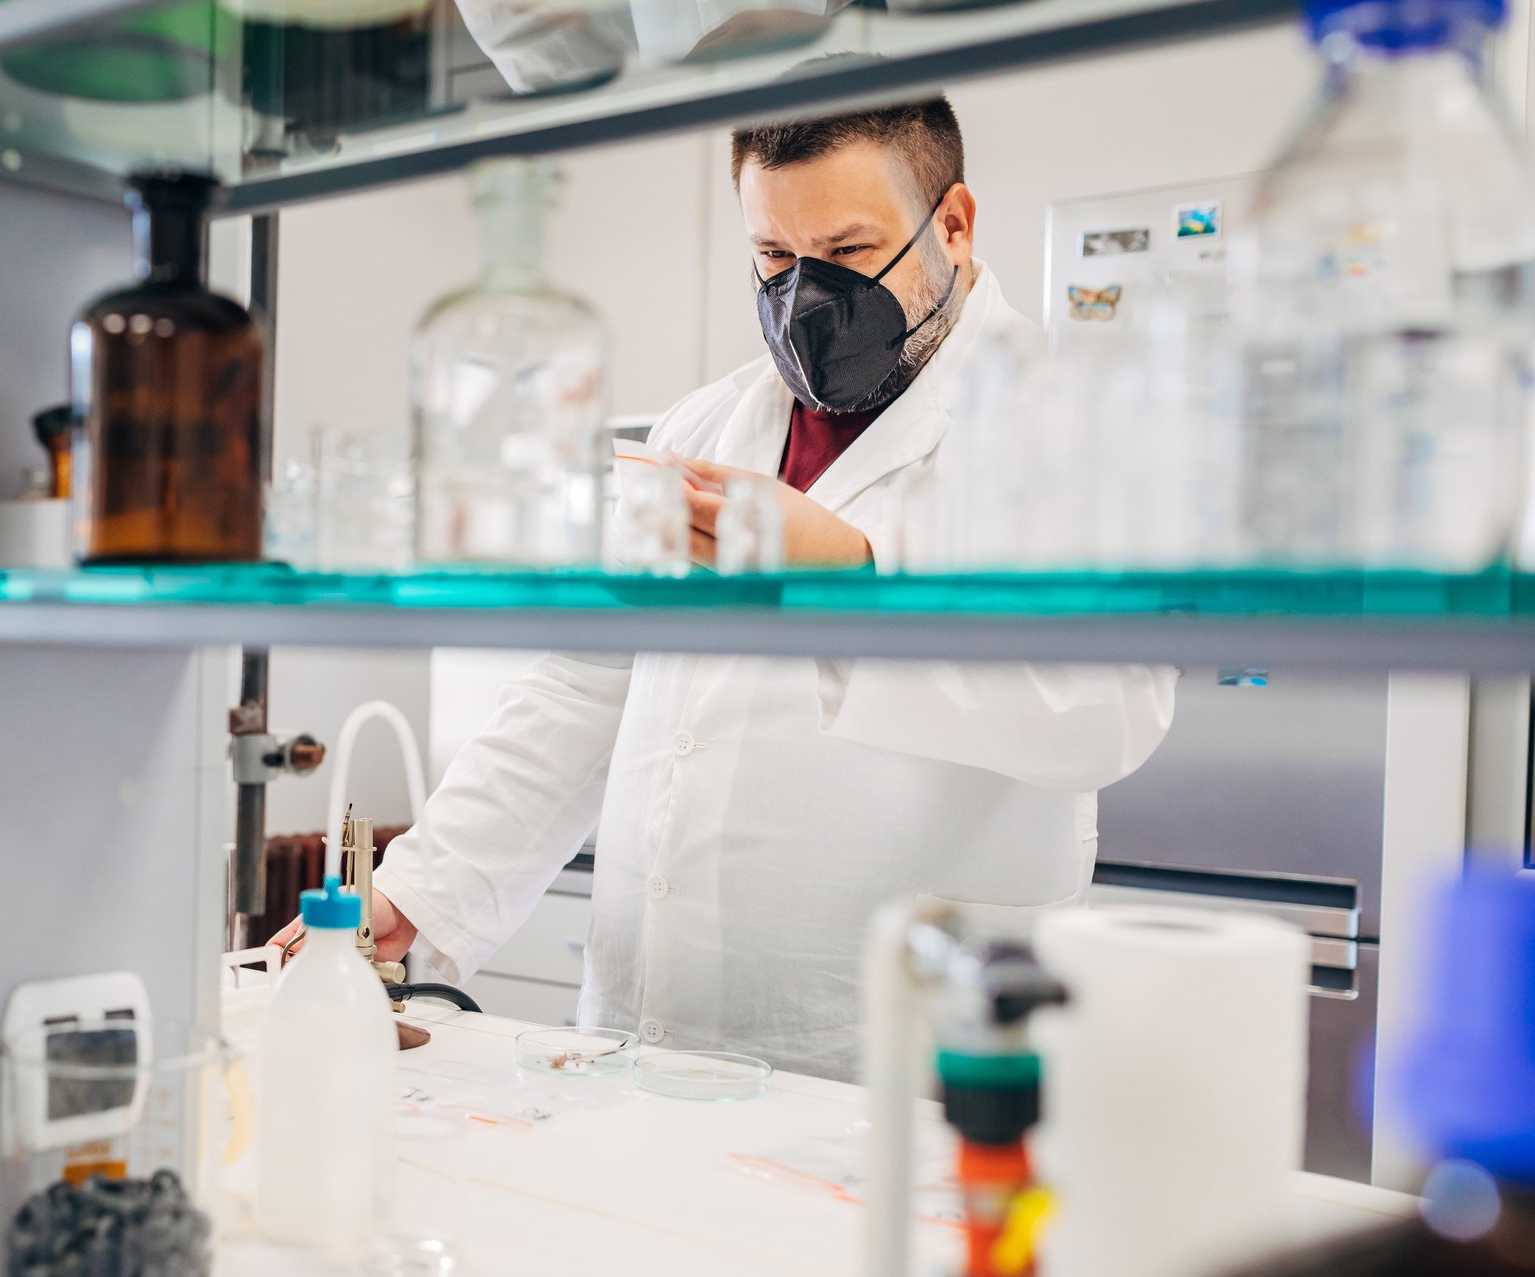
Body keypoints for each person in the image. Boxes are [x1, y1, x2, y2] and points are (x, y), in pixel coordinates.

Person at [274, 97, 1177, 1080]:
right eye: (775, 262)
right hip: (648, 1034)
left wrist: (853, 578)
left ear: (953, 226)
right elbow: (587, 683)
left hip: (892, 1055)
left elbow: (1109, 711)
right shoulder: (704, 428)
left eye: (844, 251)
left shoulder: (1066, 424)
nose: (805, 299)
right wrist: (424, 890)